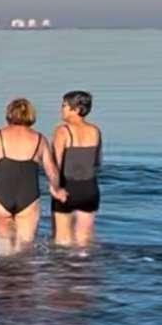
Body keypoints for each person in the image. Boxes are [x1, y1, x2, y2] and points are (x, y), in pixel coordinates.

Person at [0, 98, 65, 250]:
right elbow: (51, 170)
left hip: (0, 195)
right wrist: (55, 189)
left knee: (2, 247)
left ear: (9, 114)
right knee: (25, 247)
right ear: (30, 115)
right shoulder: (40, 139)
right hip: (28, 197)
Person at [50, 90, 102, 247]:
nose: (61, 109)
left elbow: (55, 164)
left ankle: (64, 271)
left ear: (76, 109)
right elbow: (97, 162)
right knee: (84, 242)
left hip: (68, 188)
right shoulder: (95, 131)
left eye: (65, 105)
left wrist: (54, 186)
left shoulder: (62, 131)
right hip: (90, 189)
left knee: (61, 242)